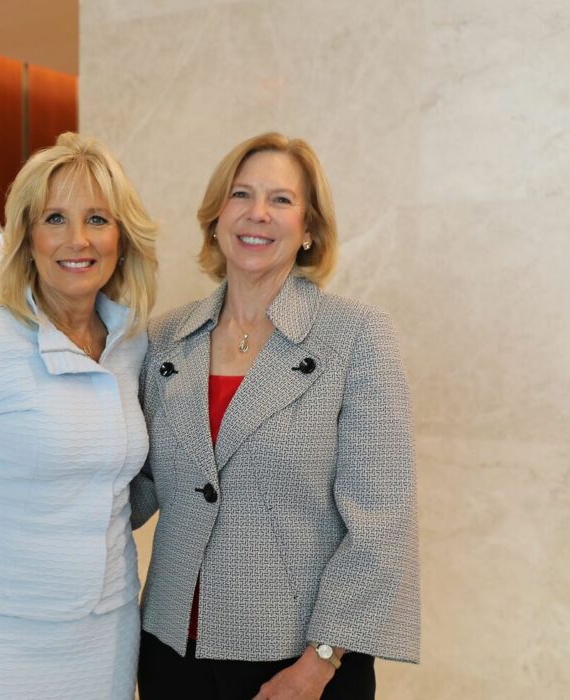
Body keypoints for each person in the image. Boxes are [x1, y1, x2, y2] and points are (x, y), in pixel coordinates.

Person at [132, 132, 419, 700]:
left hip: (299, 666)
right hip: (169, 654)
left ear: (309, 229)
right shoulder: (165, 339)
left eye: (281, 200)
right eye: (241, 195)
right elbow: (136, 487)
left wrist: (320, 662)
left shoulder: (356, 338)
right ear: (216, 217)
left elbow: (381, 524)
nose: (257, 214)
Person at [0, 132, 158, 699]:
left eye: (97, 219)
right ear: (27, 236)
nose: (77, 240)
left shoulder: (132, 344)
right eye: (55, 219)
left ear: (121, 236)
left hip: (108, 639)